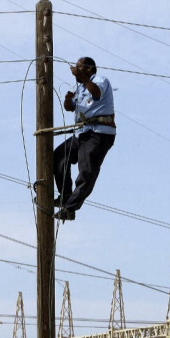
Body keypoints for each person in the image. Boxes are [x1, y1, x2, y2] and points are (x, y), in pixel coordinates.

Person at [53, 57, 116, 221]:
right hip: (82, 133)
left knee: (86, 171)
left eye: (78, 67)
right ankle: (66, 195)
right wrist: (68, 100)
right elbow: (70, 107)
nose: (75, 69)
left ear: (89, 69)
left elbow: (96, 93)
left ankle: (70, 208)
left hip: (98, 133)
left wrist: (83, 77)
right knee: (59, 156)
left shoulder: (100, 80)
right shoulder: (81, 87)